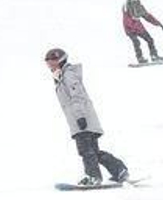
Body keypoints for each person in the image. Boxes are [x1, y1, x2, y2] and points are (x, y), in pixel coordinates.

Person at [45, 47, 130, 186]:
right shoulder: (62, 76)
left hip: (82, 120)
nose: (50, 66)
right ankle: (119, 170)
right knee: (93, 152)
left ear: (60, 61)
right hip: (81, 120)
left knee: (86, 151)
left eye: (52, 62)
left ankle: (93, 176)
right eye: (48, 63)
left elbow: (77, 97)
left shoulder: (68, 75)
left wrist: (80, 117)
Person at [121, 0, 163, 64]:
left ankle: (154, 56)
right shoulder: (126, 6)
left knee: (150, 40)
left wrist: (158, 23)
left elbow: (148, 16)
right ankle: (140, 58)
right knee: (136, 42)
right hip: (130, 29)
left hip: (139, 28)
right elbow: (126, 20)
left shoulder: (140, 7)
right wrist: (133, 23)